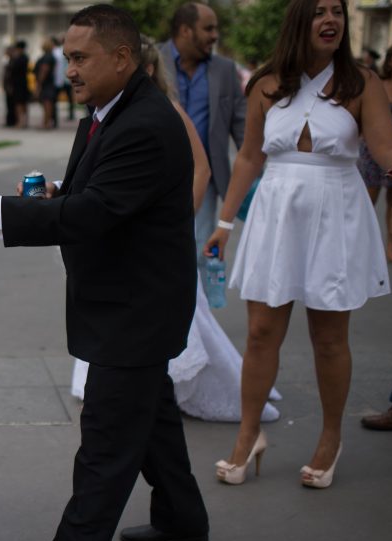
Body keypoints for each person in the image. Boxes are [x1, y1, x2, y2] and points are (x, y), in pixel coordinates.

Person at [0, 6, 208, 541]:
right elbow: (93, 198)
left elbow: (95, 215)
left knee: (106, 446)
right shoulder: (107, 113)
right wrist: (57, 197)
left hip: (135, 312)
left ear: (122, 57)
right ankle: (183, 517)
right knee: (154, 415)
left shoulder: (143, 123)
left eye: (80, 58)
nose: (69, 70)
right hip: (126, 303)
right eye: (66, 57)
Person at [206, 0, 392, 489]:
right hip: (276, 210)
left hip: (338, 211)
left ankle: (331, 438)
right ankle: (249, 436)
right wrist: (224, 225)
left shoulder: (361, 83)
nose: (330, 20)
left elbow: (386, 146)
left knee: (329, 337)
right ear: (298, 22)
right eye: (319, 12)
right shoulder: (267, 83)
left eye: (337, 11)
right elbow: (248, 157)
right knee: (260, 333)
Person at [70, 35, 283, 423]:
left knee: (175, 317)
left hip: (159, 239)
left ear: (144, 69)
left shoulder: (162, 110)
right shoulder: (114, 114)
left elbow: (201, 167)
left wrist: (181, 213)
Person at [160, 3, 247, 280]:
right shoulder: (152, 61)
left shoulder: (224, 69)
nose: (214, 36)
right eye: (208, 28)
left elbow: (241, 124)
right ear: (185, 30)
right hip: (158, 176)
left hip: (204, 178)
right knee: (157, 248)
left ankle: (196, 317)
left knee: (197, 251)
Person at [357, 41, 392, 264]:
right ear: (390, 60)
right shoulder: (378, 84)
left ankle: (390, 246)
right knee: (368, 199)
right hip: (372, 149)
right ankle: (359, 243)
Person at [35, 37, 57, 130]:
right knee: (46, 104)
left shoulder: (47, 57)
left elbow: (44, 70)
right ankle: (46, 122)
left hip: (46, 84)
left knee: (47, 103)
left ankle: (47, 123)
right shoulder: (50, 56)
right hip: (49, 83)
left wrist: (39, 85)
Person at [10, 41, 30, 128]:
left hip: (18, 84)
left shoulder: (20, 58)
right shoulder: (25, 57)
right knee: (23, 103)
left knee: (19, 104)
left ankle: (20, 122)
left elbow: (13, 69)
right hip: (23, 83)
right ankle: (24, 121)